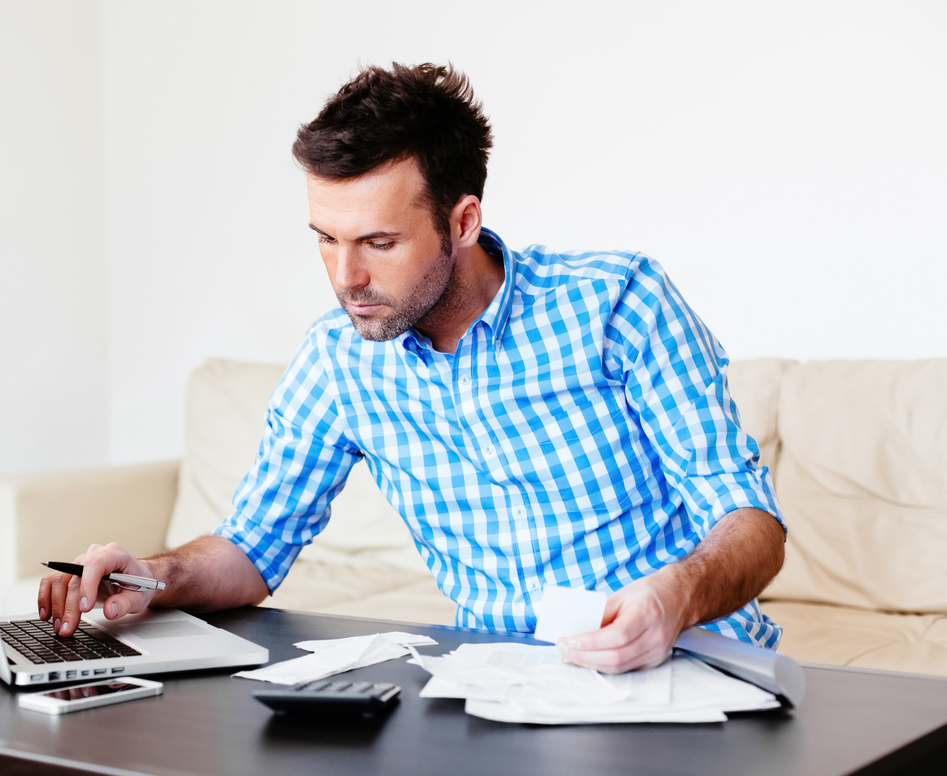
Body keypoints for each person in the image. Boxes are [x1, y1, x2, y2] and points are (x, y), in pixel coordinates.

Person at [40, 63, 786, 674]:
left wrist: (674, 598)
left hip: (686, 666)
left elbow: (752, 523)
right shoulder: (339, 360)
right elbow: (251, 550)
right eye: (325, 239)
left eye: (379, 243)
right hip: (502, 689)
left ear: (462, 222)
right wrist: (152, 575)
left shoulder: (619, 301)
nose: (345, 276)